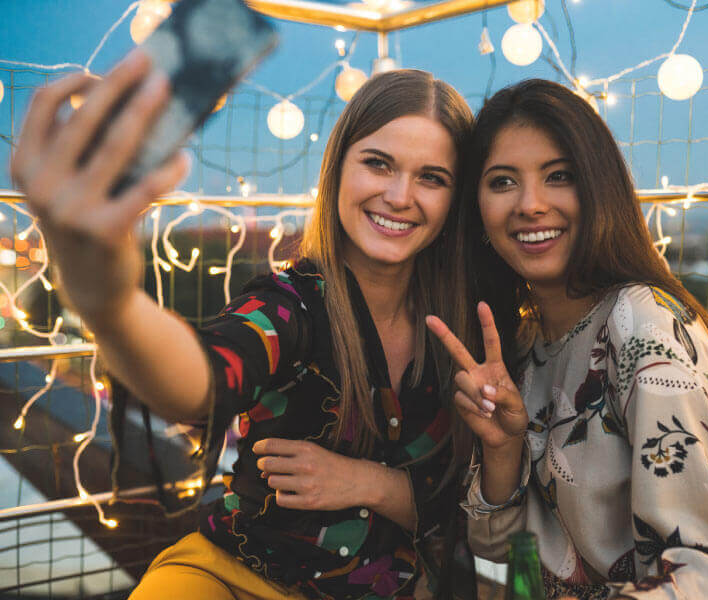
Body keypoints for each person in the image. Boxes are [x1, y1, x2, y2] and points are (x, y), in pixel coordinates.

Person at [10, 51, 477, 600]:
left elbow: (496, 502)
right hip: (234, 579)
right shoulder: (291, 305)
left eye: (432, 177)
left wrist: (372, 484)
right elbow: (206, 380)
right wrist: (110, 301)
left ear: (455, 199)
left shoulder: (471, 321)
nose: (400, 196)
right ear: (338, 169)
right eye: (378, 163)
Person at [427, 79, 708, 599]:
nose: (530, 204)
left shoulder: (645, 330)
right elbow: (501, 572)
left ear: (598, 188)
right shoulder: (521, 348)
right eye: (503, 181)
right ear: (477, 209)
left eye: (559, 176)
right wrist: (502, 453)